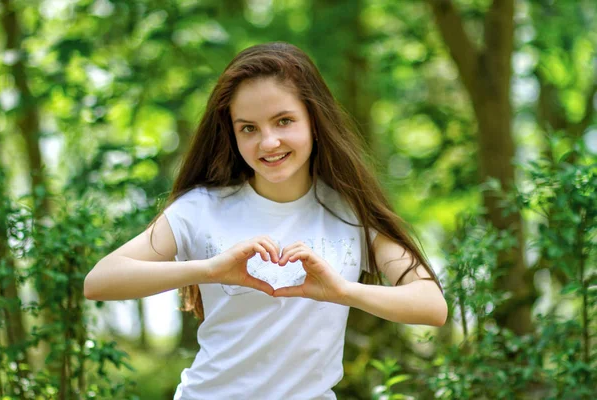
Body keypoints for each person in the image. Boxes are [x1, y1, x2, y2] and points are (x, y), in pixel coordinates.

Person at [84, 41, 447, 399]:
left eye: (284, 121)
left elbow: (431, 305)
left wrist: (342, 292)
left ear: (314, 121)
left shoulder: (351, 214)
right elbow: (100, 281)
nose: (268, 142)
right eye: (249, 128)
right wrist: (210, 270)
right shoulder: (201, 209)